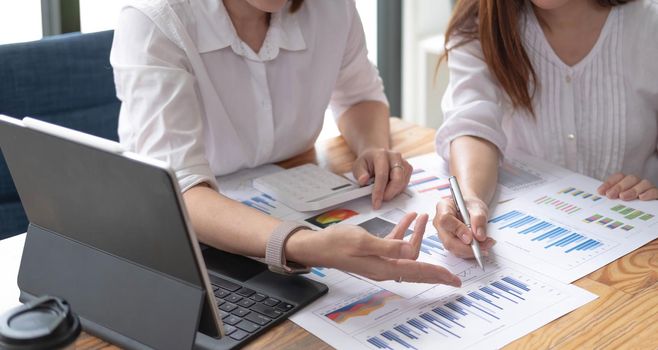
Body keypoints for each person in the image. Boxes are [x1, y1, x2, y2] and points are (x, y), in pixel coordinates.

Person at [111, 0, 461, 286]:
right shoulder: (154, 21)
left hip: (292, 195)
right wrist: (304, 244)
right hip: (182, 242)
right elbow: (180, 189)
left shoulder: (331, 9)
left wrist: (370, 145)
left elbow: (358, 96)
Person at [433, 0, 658, 259]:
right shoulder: (480, 21)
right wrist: (470, 197)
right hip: (532, 248)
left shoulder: (649, 23)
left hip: (637, 250)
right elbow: (472, 123)